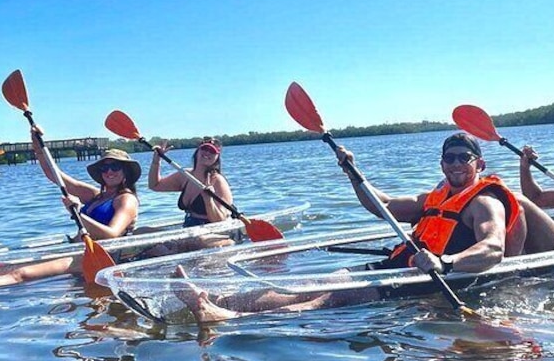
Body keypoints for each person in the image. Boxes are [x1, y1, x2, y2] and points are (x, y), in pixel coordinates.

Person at [173, 132, 528, 323]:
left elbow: (493, 248)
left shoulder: (485, 201)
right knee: (312, 283)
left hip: (425, 280)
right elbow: (383, 206)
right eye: (448, 158)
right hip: (396, 267)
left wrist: (446, 262)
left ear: (478, 162)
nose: (454, 164)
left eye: (462, 158)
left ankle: (226, 318)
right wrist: (353, 174)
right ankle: (218, 299)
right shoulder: (433, 196)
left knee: (330, 298)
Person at [0, 138, 141, 291]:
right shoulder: (96, 195)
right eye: (104, 168)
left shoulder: (126, 200)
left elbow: (112, 234)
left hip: (92, 257)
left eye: (115, 166)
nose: (109, 171)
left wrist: (78, 213)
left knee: (21, 274)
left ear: (125, 171)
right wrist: (38, 146)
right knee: (11, 267)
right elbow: (55, 175)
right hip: (74, 248)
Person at [139, 137, 234, 250]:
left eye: (212, 151)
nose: (207, 153)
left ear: (217, 157)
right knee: (140, 232)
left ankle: (175, 249)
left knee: (198, 241)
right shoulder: (185, 175)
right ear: (197, 151)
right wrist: (156, 161)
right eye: (205, 149)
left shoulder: (218, 181)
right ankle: (176, 247)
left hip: (214, 234)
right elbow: (155, 185)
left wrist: (208, 201)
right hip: (189, 231)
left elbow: (220, 222)